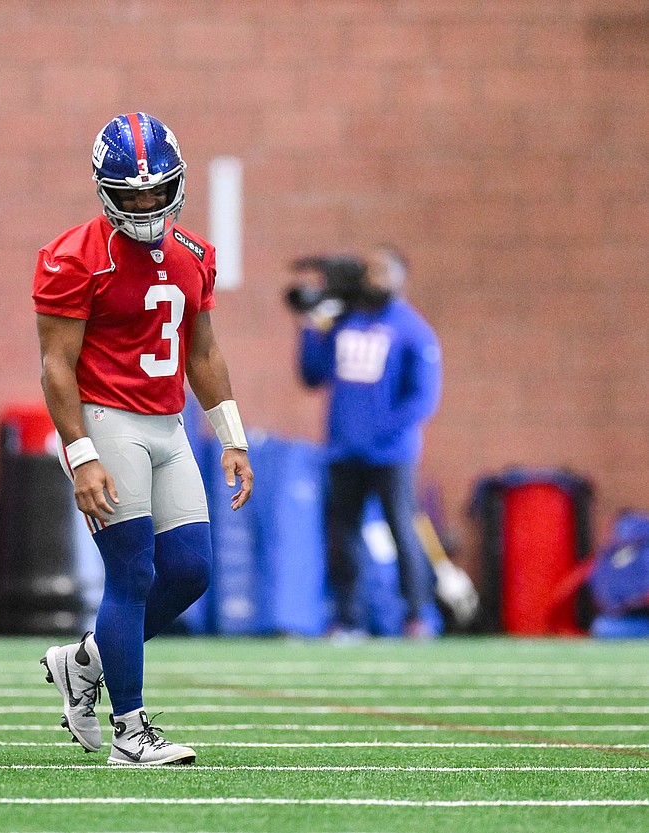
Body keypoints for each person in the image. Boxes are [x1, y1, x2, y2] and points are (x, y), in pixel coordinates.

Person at [33, 113, 253, 766]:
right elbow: (55, 366)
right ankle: (129, 730)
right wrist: (81, 453)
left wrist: (231, 435)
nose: (147, 203)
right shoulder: (72, 256)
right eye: (131, 194)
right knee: (130, 572)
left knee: (190, 570)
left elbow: (204, 351)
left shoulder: (195, 254)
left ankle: (82, 661)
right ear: (105, 190)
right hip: (108, 419)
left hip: (169, 421)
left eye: (158, 191)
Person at [290, 248, 441, 640]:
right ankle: (348, 618)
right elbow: (312, 374)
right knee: (344, 538)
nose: (371, 278)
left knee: (402, 531)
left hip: (391, 454)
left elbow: (423, 397)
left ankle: (416, 614)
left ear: (399, 277)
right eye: (369, 270)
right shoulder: (345, 322)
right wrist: (309, 325)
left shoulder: (412, 329)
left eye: (381, 271)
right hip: (343, 451)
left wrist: (381, 431)